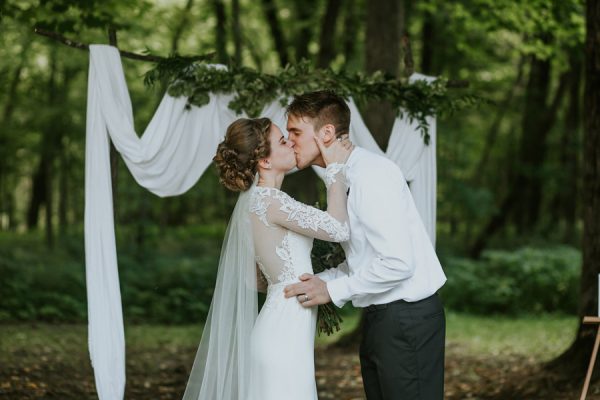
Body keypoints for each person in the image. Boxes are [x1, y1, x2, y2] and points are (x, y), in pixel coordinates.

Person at [283, 90, 448, 400]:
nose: (290, 141)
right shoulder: (344, 176)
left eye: (295, 132)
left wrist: (333, 291)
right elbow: (366, 257)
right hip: (381, 317)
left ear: (327, 132)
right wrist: (325, 280)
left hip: (407, 320)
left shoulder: (372, 175)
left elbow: (398, 263)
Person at [182, 117, 352, 400]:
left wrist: (287, 276)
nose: (291, 142)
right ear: (264, 162)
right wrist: (336, 168)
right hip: (284, 337)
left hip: (276, 330)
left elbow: (254, 279)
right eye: (283, 141)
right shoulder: (272, 201)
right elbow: (338, 228)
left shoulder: (254, 203)